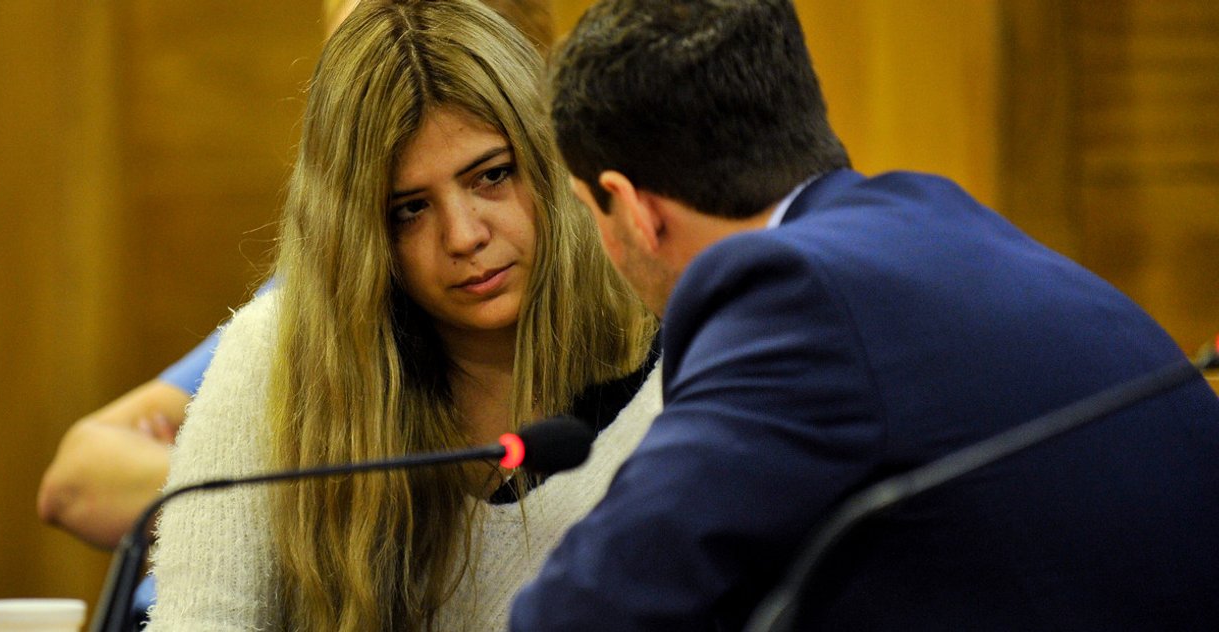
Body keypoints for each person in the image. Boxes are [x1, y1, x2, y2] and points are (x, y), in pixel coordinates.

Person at [510, 1, 1219, 630]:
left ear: (634, 209)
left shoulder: (790, 299)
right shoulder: (932, 221)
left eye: (589, 210)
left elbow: (585, 610)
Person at [146, 1, 660, 630]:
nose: (464, 236)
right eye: (410, 210)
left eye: (492, 176)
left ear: (549, 160)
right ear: (360, 237)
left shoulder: (668, 351)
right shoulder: (277, 355)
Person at [36, 0, 557, 551]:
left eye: (491, 175)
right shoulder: (328, 288)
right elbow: (77, 481)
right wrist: (291, 489)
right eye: (353, 63)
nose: (462, 236)